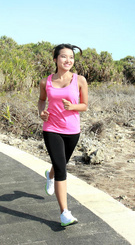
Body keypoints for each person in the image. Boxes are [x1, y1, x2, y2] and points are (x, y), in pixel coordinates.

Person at [38, 44, 88, 227]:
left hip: (72, 131)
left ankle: (49, 175)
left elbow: (84, 105)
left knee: (60, 164)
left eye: (71, 57)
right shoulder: (46, 81)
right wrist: (41, 112)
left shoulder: (80, 80)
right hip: (51, 128)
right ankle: (64, 213)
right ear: (55, 59)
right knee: (62, 169)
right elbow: (42, 100)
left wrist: (72, 107)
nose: (68, 60)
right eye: (64, 57)